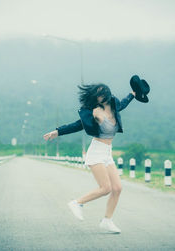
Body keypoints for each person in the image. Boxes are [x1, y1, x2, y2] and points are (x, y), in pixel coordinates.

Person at [43, 83, 136, 233]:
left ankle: (107, 221)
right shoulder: (95, 112)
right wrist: (57, 132)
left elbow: (123, 104)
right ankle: (77, 203)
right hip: (96, 152)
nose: (100, 97)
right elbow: (78, 125)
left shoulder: (114, 105)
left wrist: (132, 95)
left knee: (117, 188)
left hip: (107, 152)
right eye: (97, 95)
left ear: (107, 93)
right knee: (105, 188)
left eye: (102, 93)